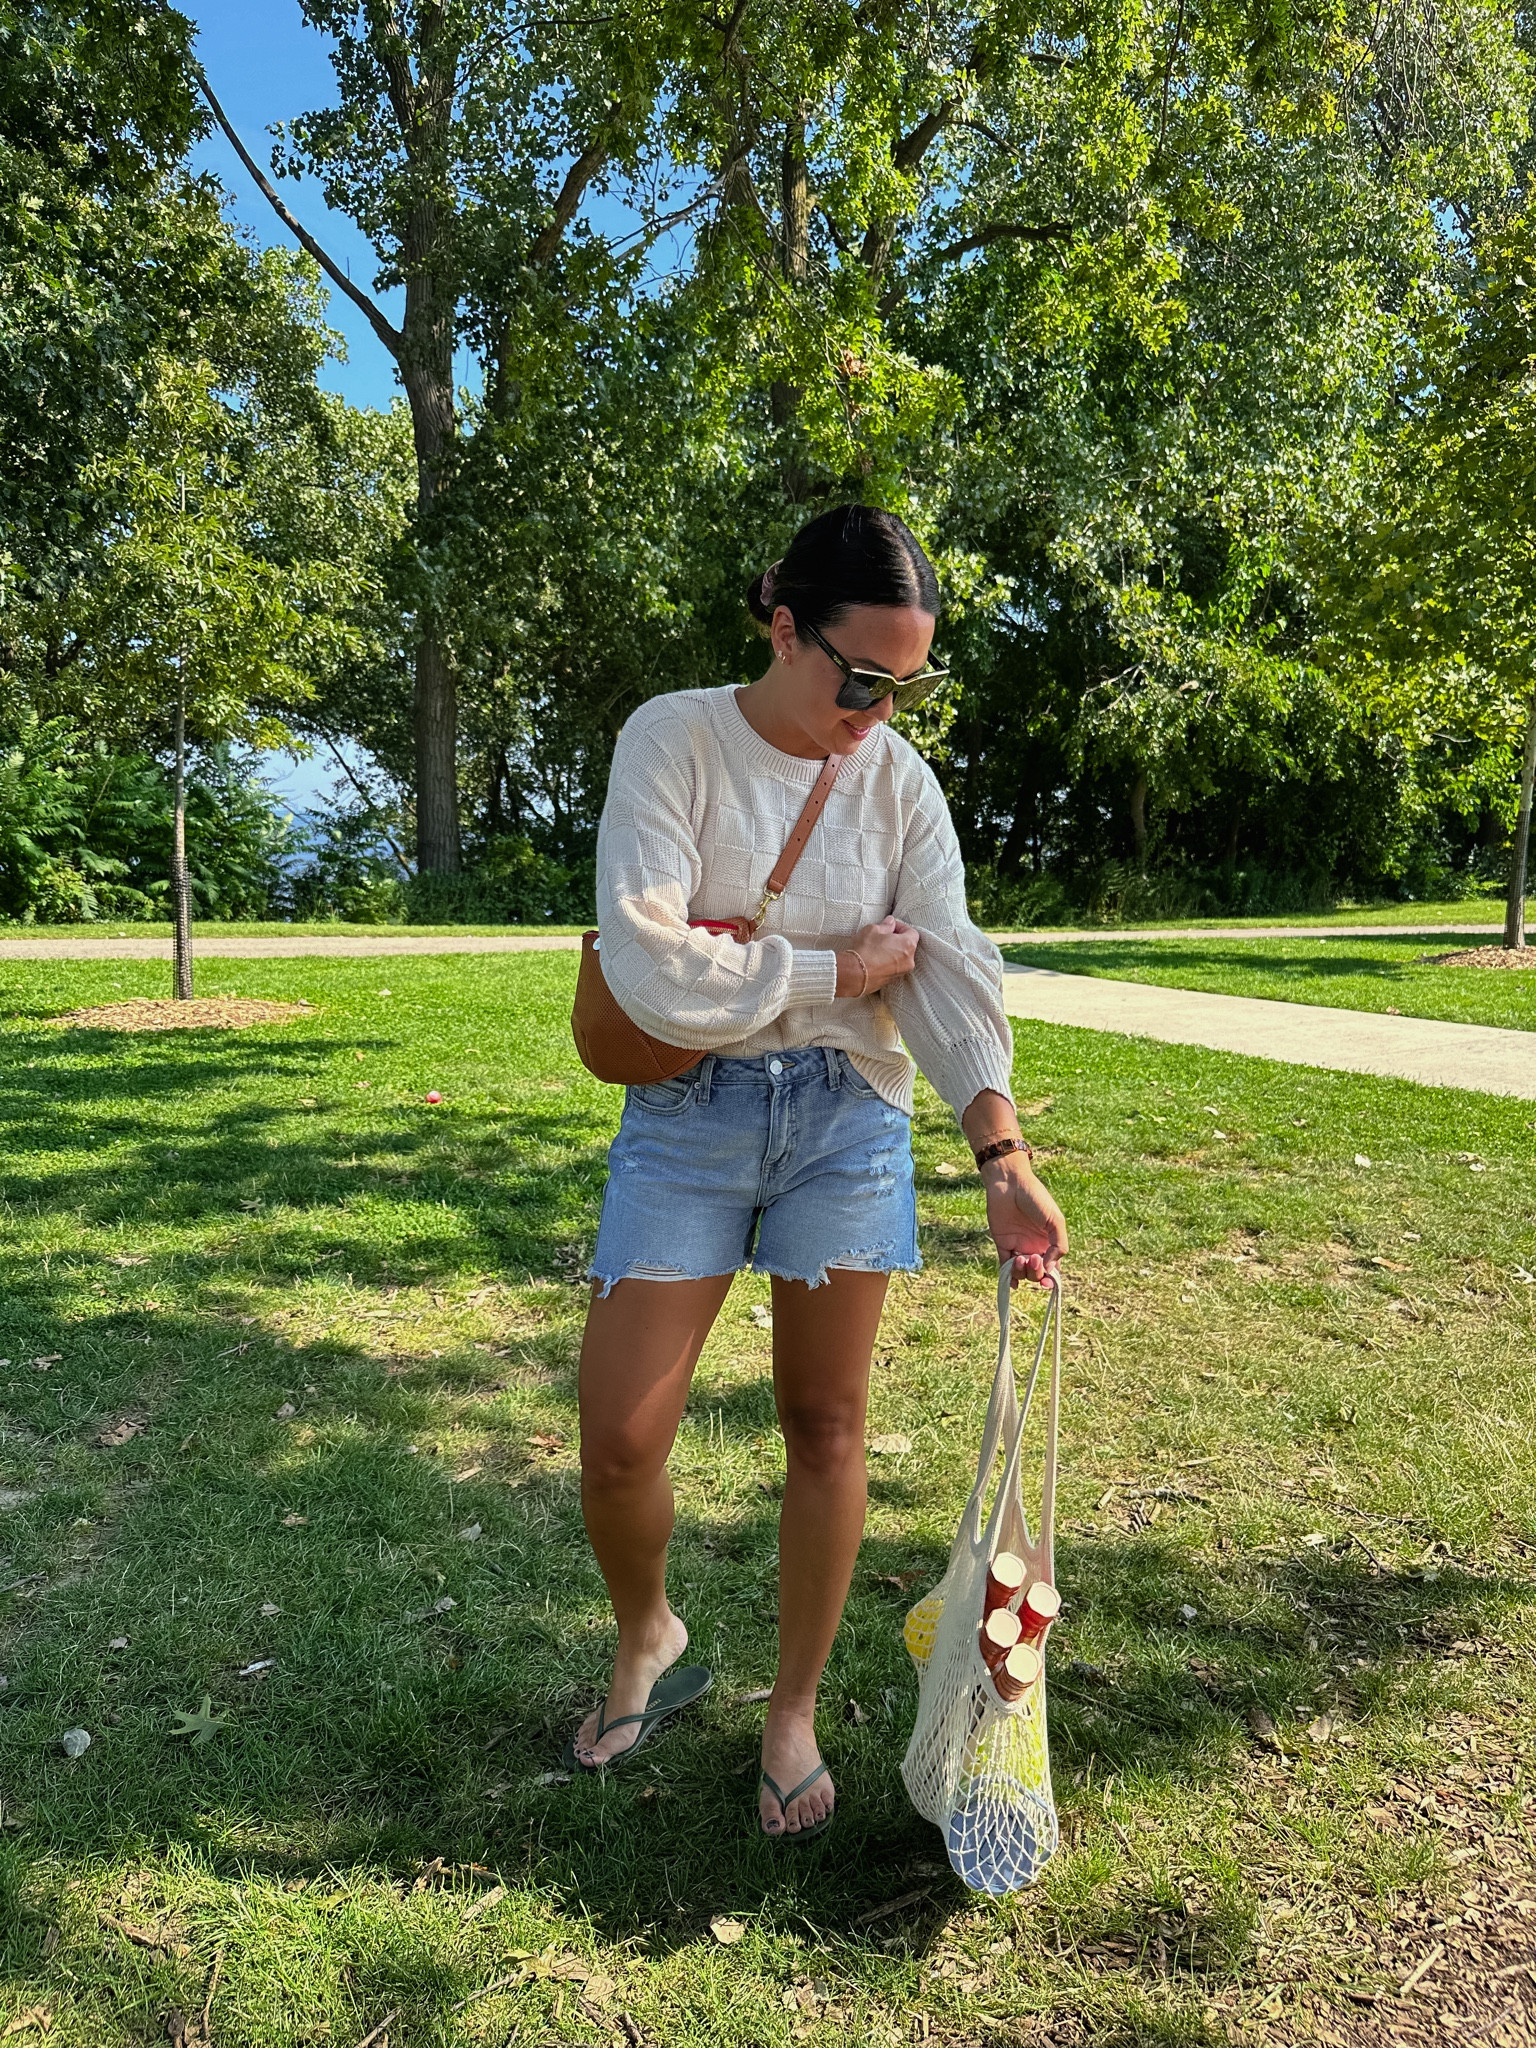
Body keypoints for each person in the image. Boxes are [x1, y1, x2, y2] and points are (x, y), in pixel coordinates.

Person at [567, 504, 1068, 1840]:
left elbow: (952, 962)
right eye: (861, 679)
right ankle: (649, 1636)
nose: (880, 711)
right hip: (692, 1109)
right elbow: (647, 962)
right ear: (784, 627)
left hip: (847, 1111)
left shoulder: (895, 778)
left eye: (909, 687)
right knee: (619, 1441)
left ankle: (790, 1712)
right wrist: (830, 969)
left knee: (827, 1425)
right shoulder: (674, 740)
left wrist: (1000, 1152)